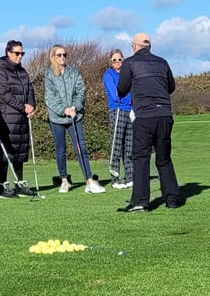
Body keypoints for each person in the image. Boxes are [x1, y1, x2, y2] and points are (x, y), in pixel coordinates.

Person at [117, 32, 179, 212]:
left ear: (134, 46)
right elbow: (171, 87)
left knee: (141, 157)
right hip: (165, 115)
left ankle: (140, 201)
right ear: (149, 47)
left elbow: (121, 89)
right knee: (164, 158)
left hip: (144, 116)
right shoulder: (162, 62)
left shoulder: (130, 62)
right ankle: (172, 199)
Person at [44, 44, 106, 194]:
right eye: (59, 55)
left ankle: (89, 181)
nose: (62, 57)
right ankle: (64, 180)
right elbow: (50, 97)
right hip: (57, 118)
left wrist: (75, 107)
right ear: (53, 57)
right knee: (61, 150)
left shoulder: (73, 72)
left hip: (74, 116)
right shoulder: (49, 74)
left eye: (64, 54)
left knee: (81, 149)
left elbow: (80, 91)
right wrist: (63, 110)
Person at [0, 40, 35, 198]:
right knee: (7, 151)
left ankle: (19, 183)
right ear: (8, 53)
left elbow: (30, 89)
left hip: (22, 117)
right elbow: (4, 94)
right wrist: (22, 106)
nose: (20, 56)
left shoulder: (23, 72)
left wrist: (31, 105)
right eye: (17, 53)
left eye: (22, 53)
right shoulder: (2, 71)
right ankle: (3, 185)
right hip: (8, 116)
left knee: (20, 149)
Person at [103, 49, 133, 189]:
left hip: (130, 111)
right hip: (117, 109)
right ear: (111, 62)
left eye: (119, 59)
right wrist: (127, 98)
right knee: (116, 144)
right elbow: (116, 95)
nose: (117, 62)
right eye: (114, 60)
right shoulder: (108, 75)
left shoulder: (128, 74)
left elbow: (133, 91)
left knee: (129, 145)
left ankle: (130, 176)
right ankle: (115, 178)